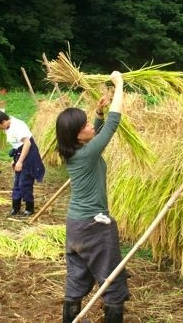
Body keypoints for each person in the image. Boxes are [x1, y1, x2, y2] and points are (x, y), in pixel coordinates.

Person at [56, 71, 129, 323]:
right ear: (77, 135)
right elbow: (113, 124)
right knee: (113, 281)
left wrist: (97, 114)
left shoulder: (72, 151)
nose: (90, 126)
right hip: (94, 225)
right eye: (85, 125)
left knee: (77, 276)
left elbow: (95, 132)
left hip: (75, 226)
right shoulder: (87, 154)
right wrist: (119, 85)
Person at [0, 110, 45, 217]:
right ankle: (16, 208)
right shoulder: (7, 127)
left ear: (3, 121)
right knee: (17, 183)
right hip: (20, 154)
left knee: (24, 183)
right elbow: (17, 145)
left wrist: (20, 161)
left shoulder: (18, 125)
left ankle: (30, 208)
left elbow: (27, 143)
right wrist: (15, 160)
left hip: (29, 154)